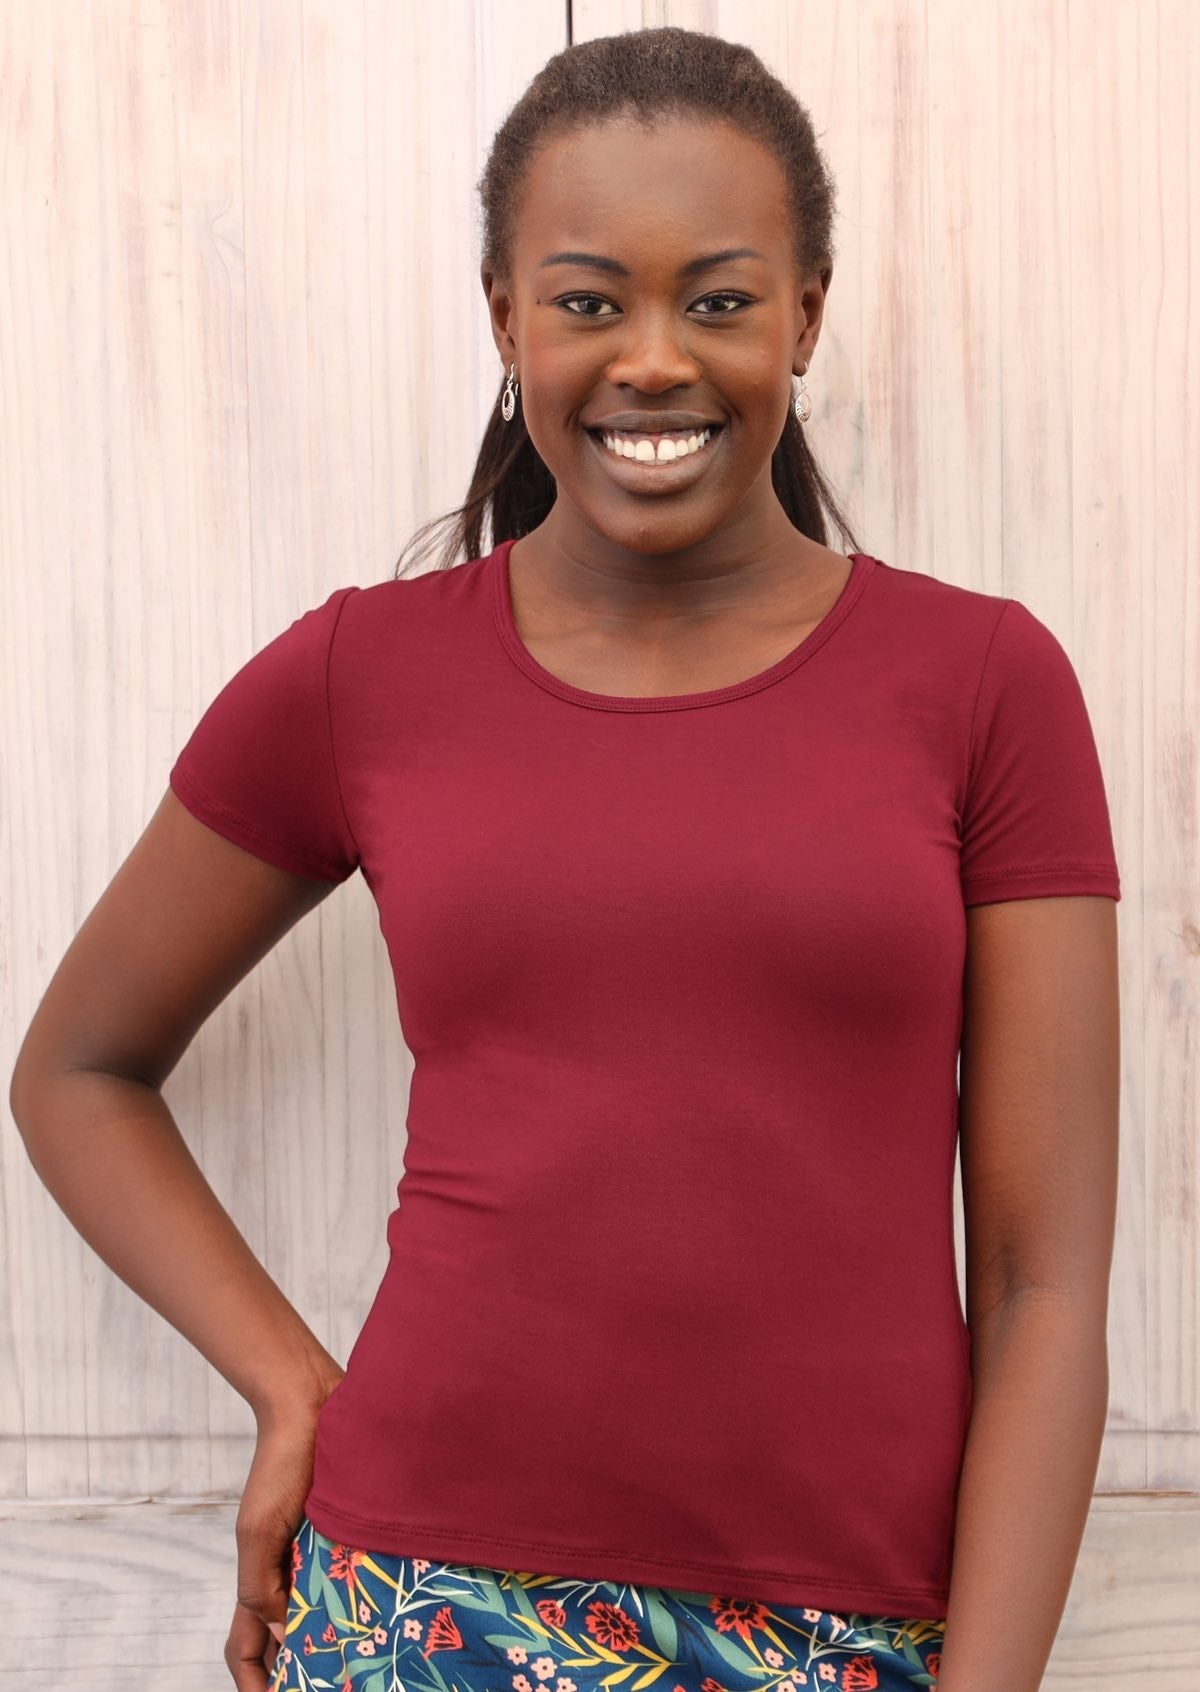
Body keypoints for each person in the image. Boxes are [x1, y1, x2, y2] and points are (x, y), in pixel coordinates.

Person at [9, 25, 1121, 1692]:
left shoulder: (983, 684)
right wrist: (293, 1387)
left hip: (857, 1626)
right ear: (507, 318)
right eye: (590, 299)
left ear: (807, 316)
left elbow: (1041, 1286)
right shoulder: (357, 676)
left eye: (722, 299)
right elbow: (77, 1071)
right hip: (418, 1603)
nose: (653, 359)